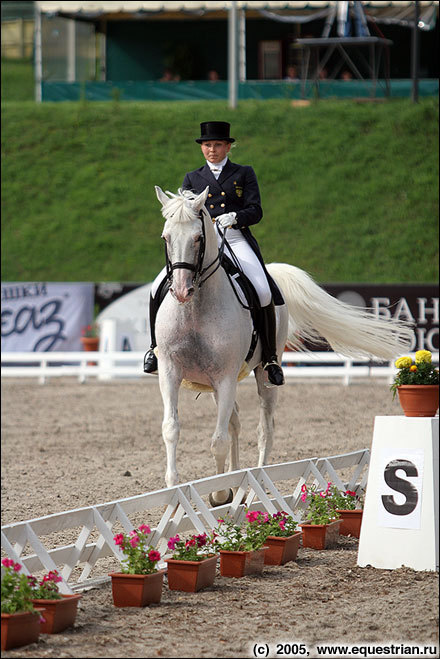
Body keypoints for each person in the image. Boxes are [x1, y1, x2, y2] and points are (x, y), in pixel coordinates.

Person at [143, 121, 285, 387]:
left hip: (234, 236)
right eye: (207, 145)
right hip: (200, 242)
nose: (212, 149)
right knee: (156, 286)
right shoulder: (192, 178)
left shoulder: (243, 173)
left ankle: (269, 358)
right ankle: (154, 348)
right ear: (202, 148)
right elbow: (184, 214)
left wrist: (236, 217)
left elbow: (256, 210)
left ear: (228, 146)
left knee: (263, 290)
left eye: (217, 144)